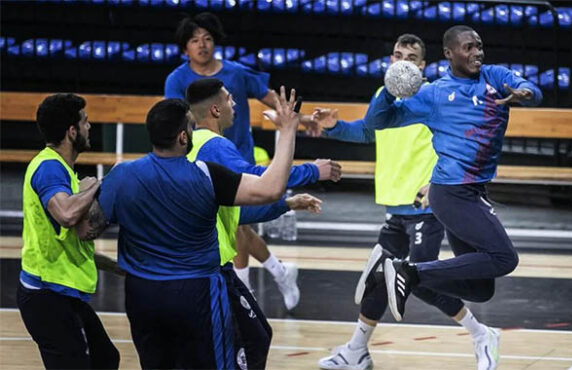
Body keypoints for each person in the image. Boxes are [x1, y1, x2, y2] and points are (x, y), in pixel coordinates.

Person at [77, 87, 301, 369]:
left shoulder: (121, 175)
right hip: (197, 294)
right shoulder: (206, 175)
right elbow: (271, 188)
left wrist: (85, 193)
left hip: (143, 294)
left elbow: (86, 230)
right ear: (184, 137)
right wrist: (288, 130)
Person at [361, 25, 542, 369]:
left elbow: (533, 89)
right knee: (505, 258)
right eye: (468, 48)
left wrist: (524, 92)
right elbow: (378, 121)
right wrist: (388, 90)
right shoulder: (433, 95)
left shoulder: (494, 77)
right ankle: (407, 271)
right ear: (449, 54)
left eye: (479, 47)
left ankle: (401, 272)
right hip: (450, 193)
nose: (477, 53)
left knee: (481, 288)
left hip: (473, 191)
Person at [312, 34, 492, 370]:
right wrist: (332, 128)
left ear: (422, 66)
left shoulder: (433, 96)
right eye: (397, 54)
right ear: (391, 61)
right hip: (395, 209)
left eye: (411, 56)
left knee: (416, 279)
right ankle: (356, 350)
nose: (403, 60)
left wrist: (435, 182)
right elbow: (367, 132)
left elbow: (464, 145)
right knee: (384, 279)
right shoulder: (383, 96)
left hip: (425, 206)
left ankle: (481, 333)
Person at [164, 12, 329, 303]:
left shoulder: (236, 73)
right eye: (194, 40)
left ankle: (244, 292)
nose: (202, 45)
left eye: (207, 38)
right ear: (185, 47)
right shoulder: (177, 79)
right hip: (202, 158)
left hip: (236, 156)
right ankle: (277, 272)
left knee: (237, 223)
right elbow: (173, 120)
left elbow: (271, 99)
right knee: (236, 224)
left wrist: (303, 120)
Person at [185, 77, 328, 368]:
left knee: (256, 336)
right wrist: (312, 171)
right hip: (209, 271)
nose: (234, 103)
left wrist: (287, 204)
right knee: (247, 343)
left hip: (203, 267)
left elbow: (240, 212)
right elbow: (262, 184)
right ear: (215, 109)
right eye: (228, 98)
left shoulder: (194, 144)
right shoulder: (215, 147)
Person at [17, 93, 120, 369]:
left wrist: (117, 267)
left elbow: (71, 241)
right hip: (46, 297)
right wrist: (99, 185)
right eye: (85, 122)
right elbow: (65, 214)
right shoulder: (50, 168)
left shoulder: (63, 170)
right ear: (72, 131)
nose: (90, 127)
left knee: (106, 359)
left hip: (61, 293)